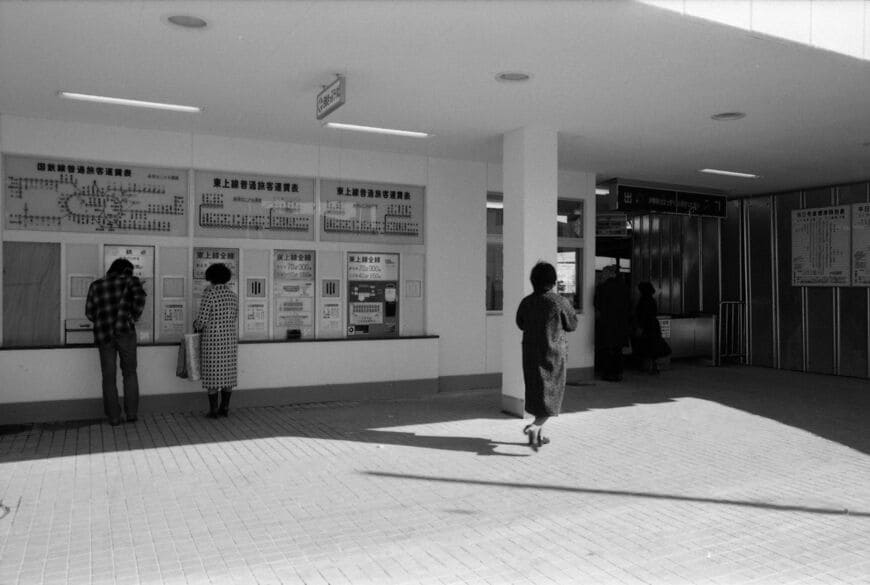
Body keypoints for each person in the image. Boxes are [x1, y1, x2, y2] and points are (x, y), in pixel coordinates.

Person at [515, 261, 578, 450]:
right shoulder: (559, 301)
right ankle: (534, 428)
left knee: (537, 394)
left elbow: (520, 323)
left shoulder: (527, 302)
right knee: (551, 397)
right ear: (552, 281)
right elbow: (572, 325)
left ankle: (538, 436)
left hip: (530, 354)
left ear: (533, 280)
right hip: (553, 356)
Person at [85, 258, 147, 426]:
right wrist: (132, 316)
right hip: (125, 332)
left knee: (108, 377)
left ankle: (113, 417)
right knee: (130, 373)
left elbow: (89, 313)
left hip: (104, 334)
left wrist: (103, 319)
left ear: (111, 269)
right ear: (127, 270)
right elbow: (140, 302)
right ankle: (131, 414)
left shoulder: (96, 286)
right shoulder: (132, 282)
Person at [194, 263, 239, 418]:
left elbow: (202, 320)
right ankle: (224, 407)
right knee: (228, 374)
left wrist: (196, 325)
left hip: (212, 340)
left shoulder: (209, 294)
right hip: (229, 340)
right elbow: (234, 318)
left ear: (211, 277)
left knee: (212, 375)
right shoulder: (233, 296)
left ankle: (213, 410)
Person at [593, 265, 631, 381]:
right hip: (621, 323)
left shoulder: (602, 288)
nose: (601, 276)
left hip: (607, 323)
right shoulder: (624, 288)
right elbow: (629, 305)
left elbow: (597, 304)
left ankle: (608, 373)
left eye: (603, 273)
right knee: (618, 350)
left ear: (607, 274)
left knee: (607, 349)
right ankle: (618, 373)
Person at [633, 281, 667, 374]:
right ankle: (654, 366)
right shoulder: (652, 300)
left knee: (646, 346)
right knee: (653, 346)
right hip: (653, 326)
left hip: (646, 326)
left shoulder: (643, 301)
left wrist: (640, 327)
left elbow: (642, 315)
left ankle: (648, 367)